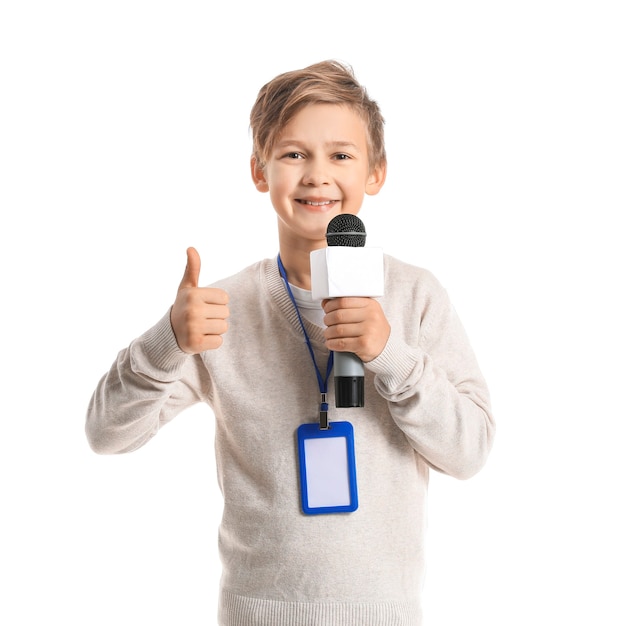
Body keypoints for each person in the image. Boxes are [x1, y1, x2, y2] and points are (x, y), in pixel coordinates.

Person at [86, 59, 495, 626]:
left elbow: (471, 451)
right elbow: (106, 435)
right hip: (256, 614)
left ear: (376, 173)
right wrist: (167, 341)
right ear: (260, 171)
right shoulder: (221, 308)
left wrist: (391, 356)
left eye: (341, 155)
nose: (317, 174)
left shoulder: (415, 296)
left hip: (385, 614)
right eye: (294, 153)